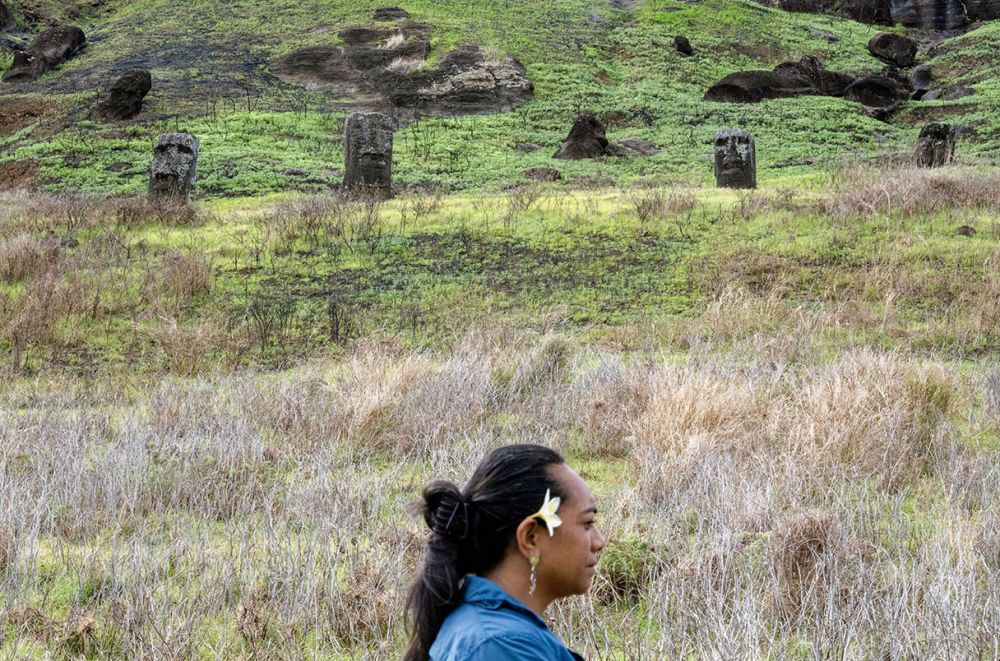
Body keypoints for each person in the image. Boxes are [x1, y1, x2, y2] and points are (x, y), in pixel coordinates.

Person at [404, 444, 607, 661]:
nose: (599, 542)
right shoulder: (499, 647)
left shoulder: (499, 636)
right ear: (530, 537)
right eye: (587, 523)